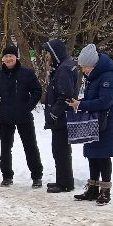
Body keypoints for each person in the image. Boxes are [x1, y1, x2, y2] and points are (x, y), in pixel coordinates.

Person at [67, 44, 113, 205]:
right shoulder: (94, 76)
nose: (83, 70)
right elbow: (94, 99)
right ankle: (92, 188)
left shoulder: (108, 77)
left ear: (93, 65)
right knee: (92, 154)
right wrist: (78, 103)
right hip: (94, 121)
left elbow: (105, 102)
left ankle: (105, 190)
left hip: (106, 123)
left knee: (103, 156)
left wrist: (81, 105)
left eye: (85, 67)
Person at [0, 44, 43, 188]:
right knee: (6, 147)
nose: (8, 58)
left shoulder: (27, 73)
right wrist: (0, 108)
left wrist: (28, 107)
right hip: (6, 117)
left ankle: (37, 176)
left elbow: (37, 91)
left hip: (24, 116)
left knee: (30, 146)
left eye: (11, 56)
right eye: (6, 56)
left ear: (16, 57)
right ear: (2, 59)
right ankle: (7, 176)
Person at [43, 38, 78, 193]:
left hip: (61, 117)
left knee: (60, 150)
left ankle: (64, 183)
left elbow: (65, 95)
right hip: (62, 116)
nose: (46, 56)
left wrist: (54, 113)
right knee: (61, 150)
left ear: (55, 52)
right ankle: (63, 180)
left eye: (48, 53)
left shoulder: (63, 69)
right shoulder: (64, 66)